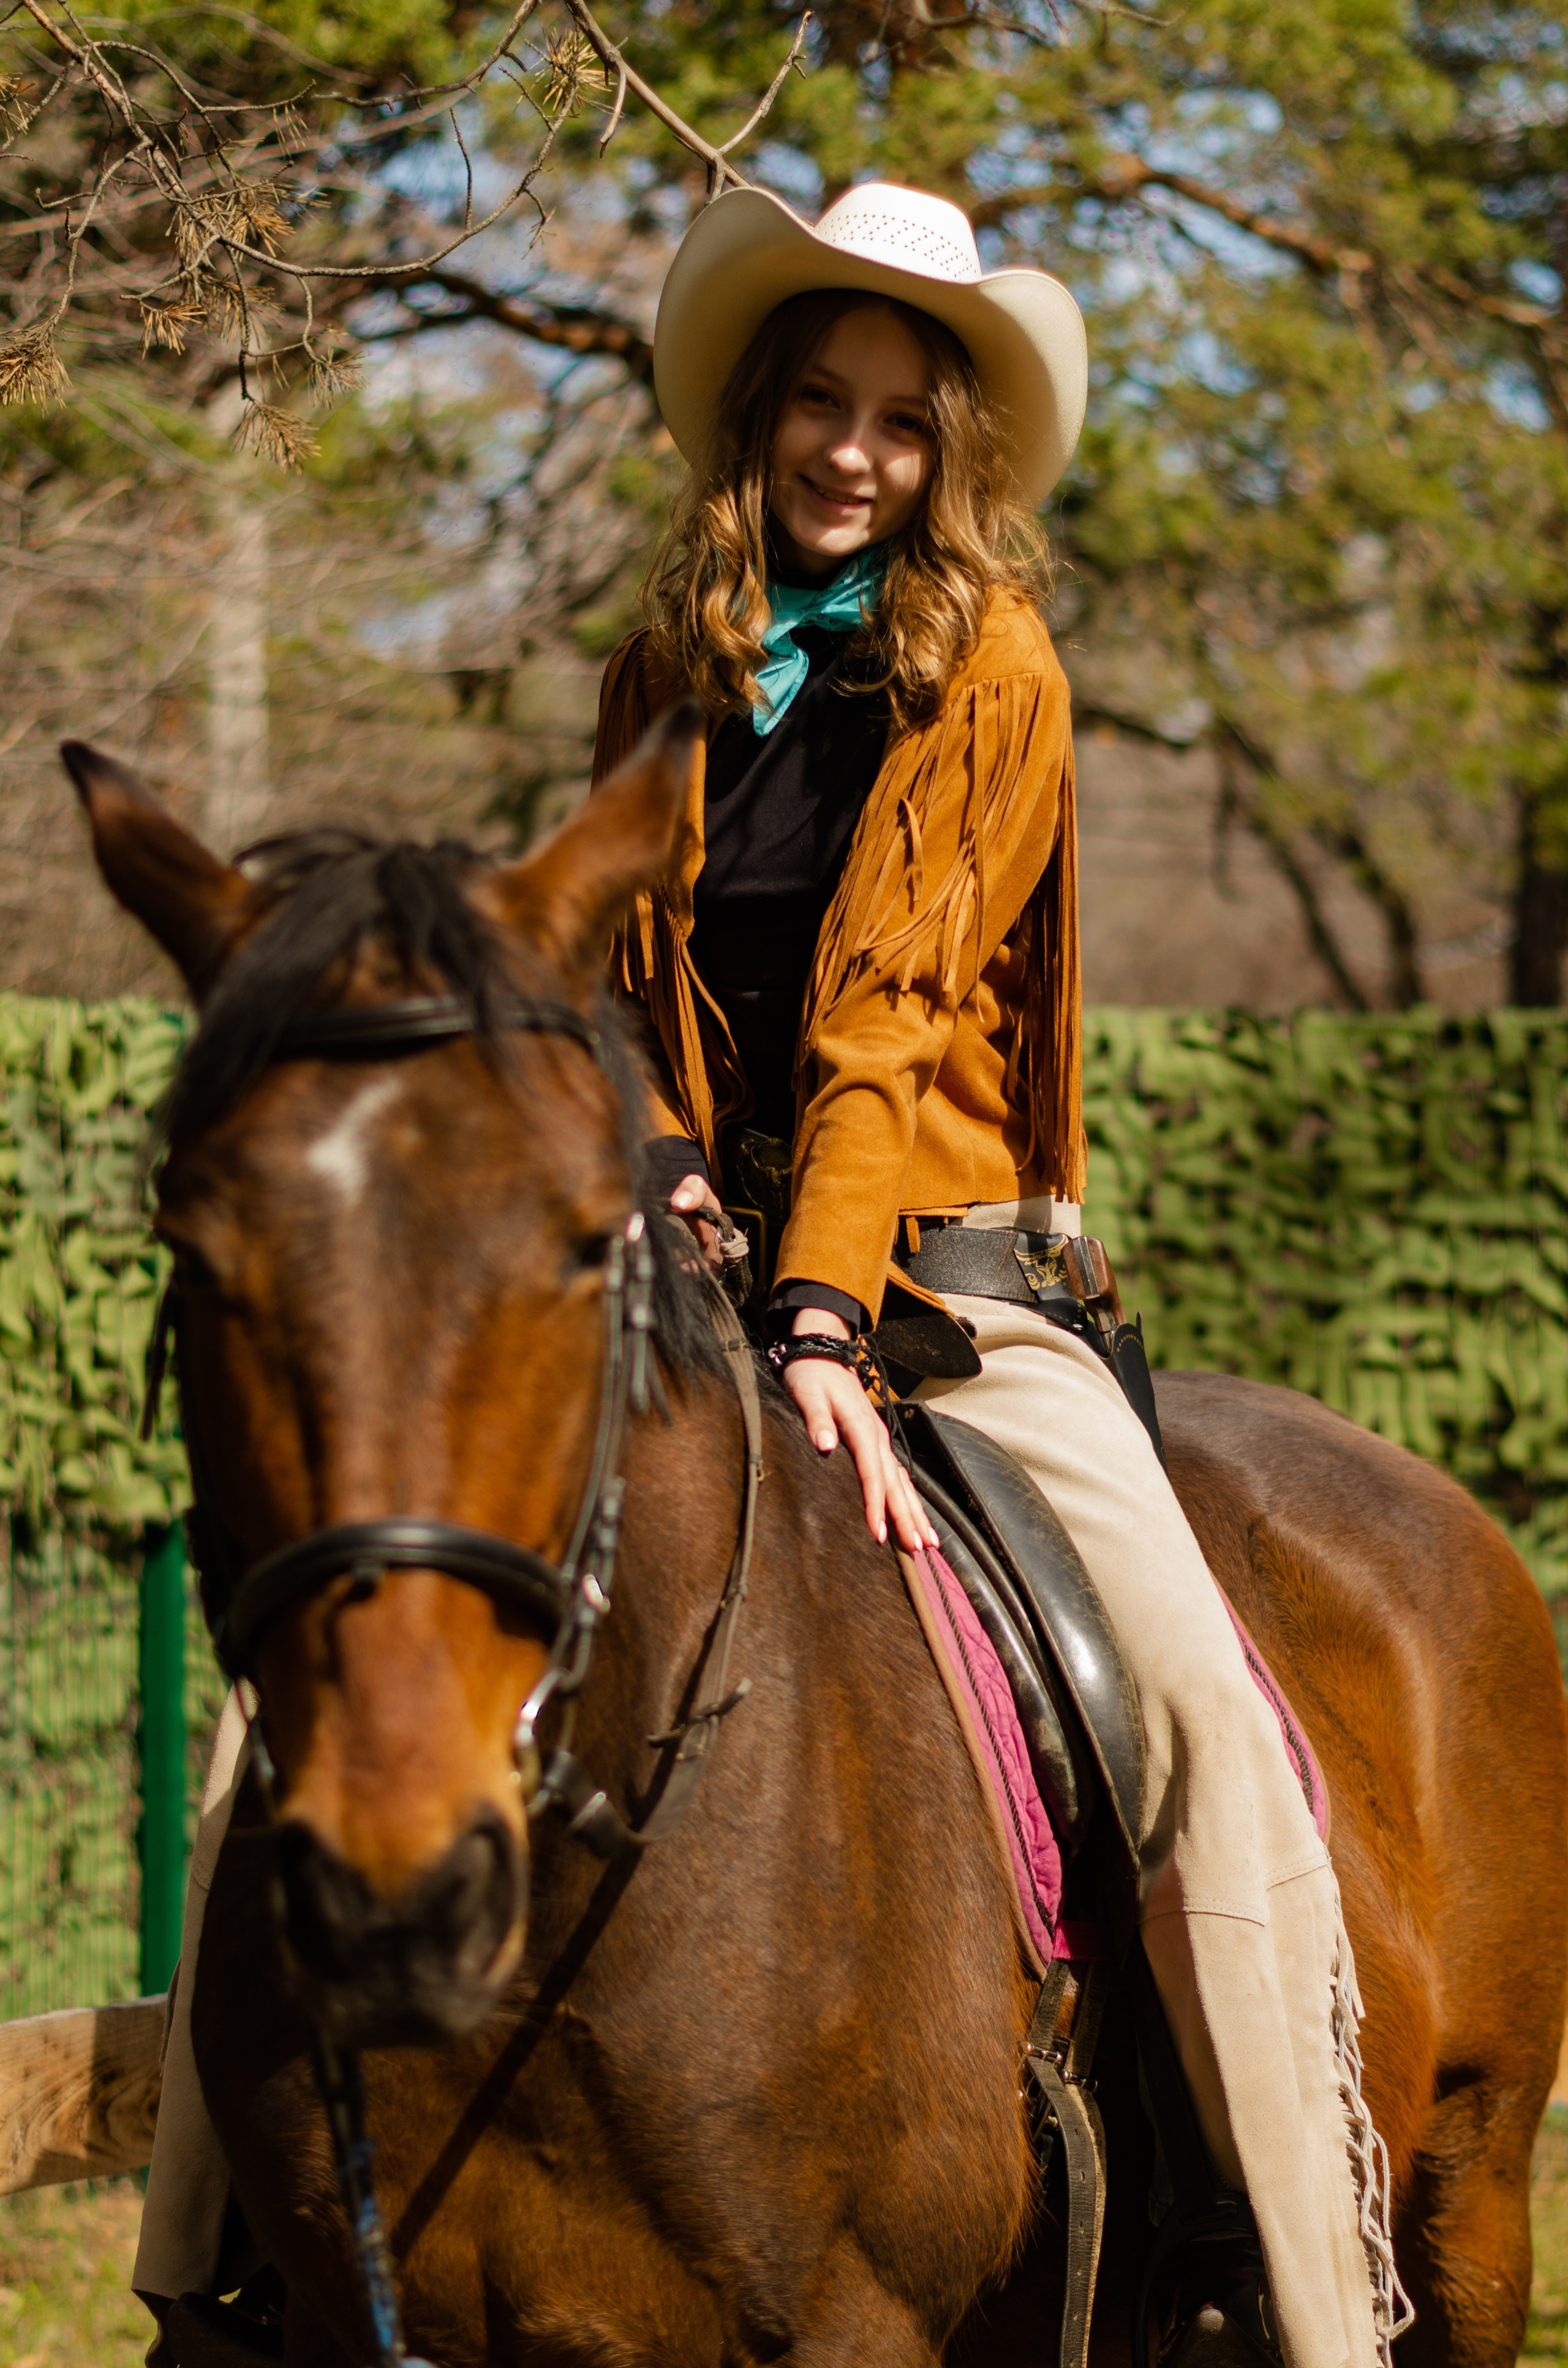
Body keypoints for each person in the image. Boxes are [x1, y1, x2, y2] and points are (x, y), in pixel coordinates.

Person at [591, 180, 1408, 2368]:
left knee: (1206, 1725)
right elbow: (614, 965)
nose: (853, 451)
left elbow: (884, 1012)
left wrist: (824, 1315)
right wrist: (666, 1164)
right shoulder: (662, 658)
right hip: (678, 1271)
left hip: (944, 1291)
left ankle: (1306, 2293)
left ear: (951, 454)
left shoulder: (995, 671)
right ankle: (212, 2267)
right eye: (820, 404)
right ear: (760, 414)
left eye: (899, 420)